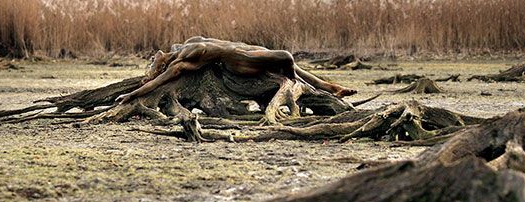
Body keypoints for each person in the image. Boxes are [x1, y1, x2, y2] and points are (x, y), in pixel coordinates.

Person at [116, 37, 356, 104]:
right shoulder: (183, 60)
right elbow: (155, 84)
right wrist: (131, 95)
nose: (158, 61)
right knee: (286, 58)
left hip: (244, 49)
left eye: (157, 62)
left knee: (292, 65)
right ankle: (311, 88)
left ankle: (331, 88)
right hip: (241, 62)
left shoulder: (186, 45)